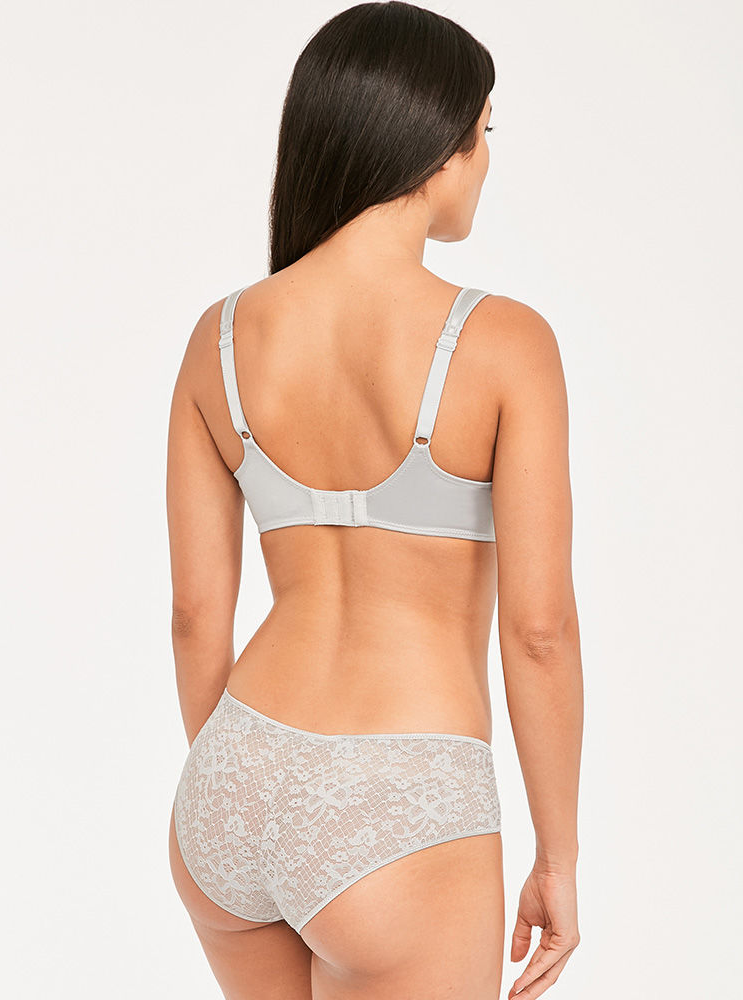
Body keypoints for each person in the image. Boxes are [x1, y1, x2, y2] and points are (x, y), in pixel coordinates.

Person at [166, 3, 583, 998]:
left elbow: (193, 617)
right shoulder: (505, 343)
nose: (486, 158)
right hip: (401, 796)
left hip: (234, 774)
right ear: (434, 147)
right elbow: (539, 630)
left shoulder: (219, 338)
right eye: (483, 131)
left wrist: (250, 794)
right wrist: (557, 854)